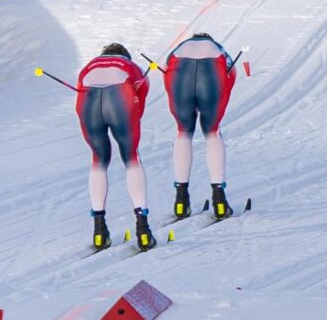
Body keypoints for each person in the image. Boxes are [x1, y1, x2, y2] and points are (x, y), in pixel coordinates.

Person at [75, 42, 153, 250]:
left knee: (98, 160)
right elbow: (139, 106)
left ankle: (99, 231)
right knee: (131, 157)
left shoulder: (90, 66)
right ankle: (143, 229)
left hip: (88, 101)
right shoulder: (130, 66)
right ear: (125, 56)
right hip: (121, 99)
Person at [162, 31, 237, 220]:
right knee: (212, 132)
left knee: (183, 132)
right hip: (213, 73)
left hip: (179, 73)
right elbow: (231, 74)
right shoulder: (217, 47)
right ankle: (219, 200)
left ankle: (181, 201)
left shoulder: (179, 48)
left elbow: (166, 74)